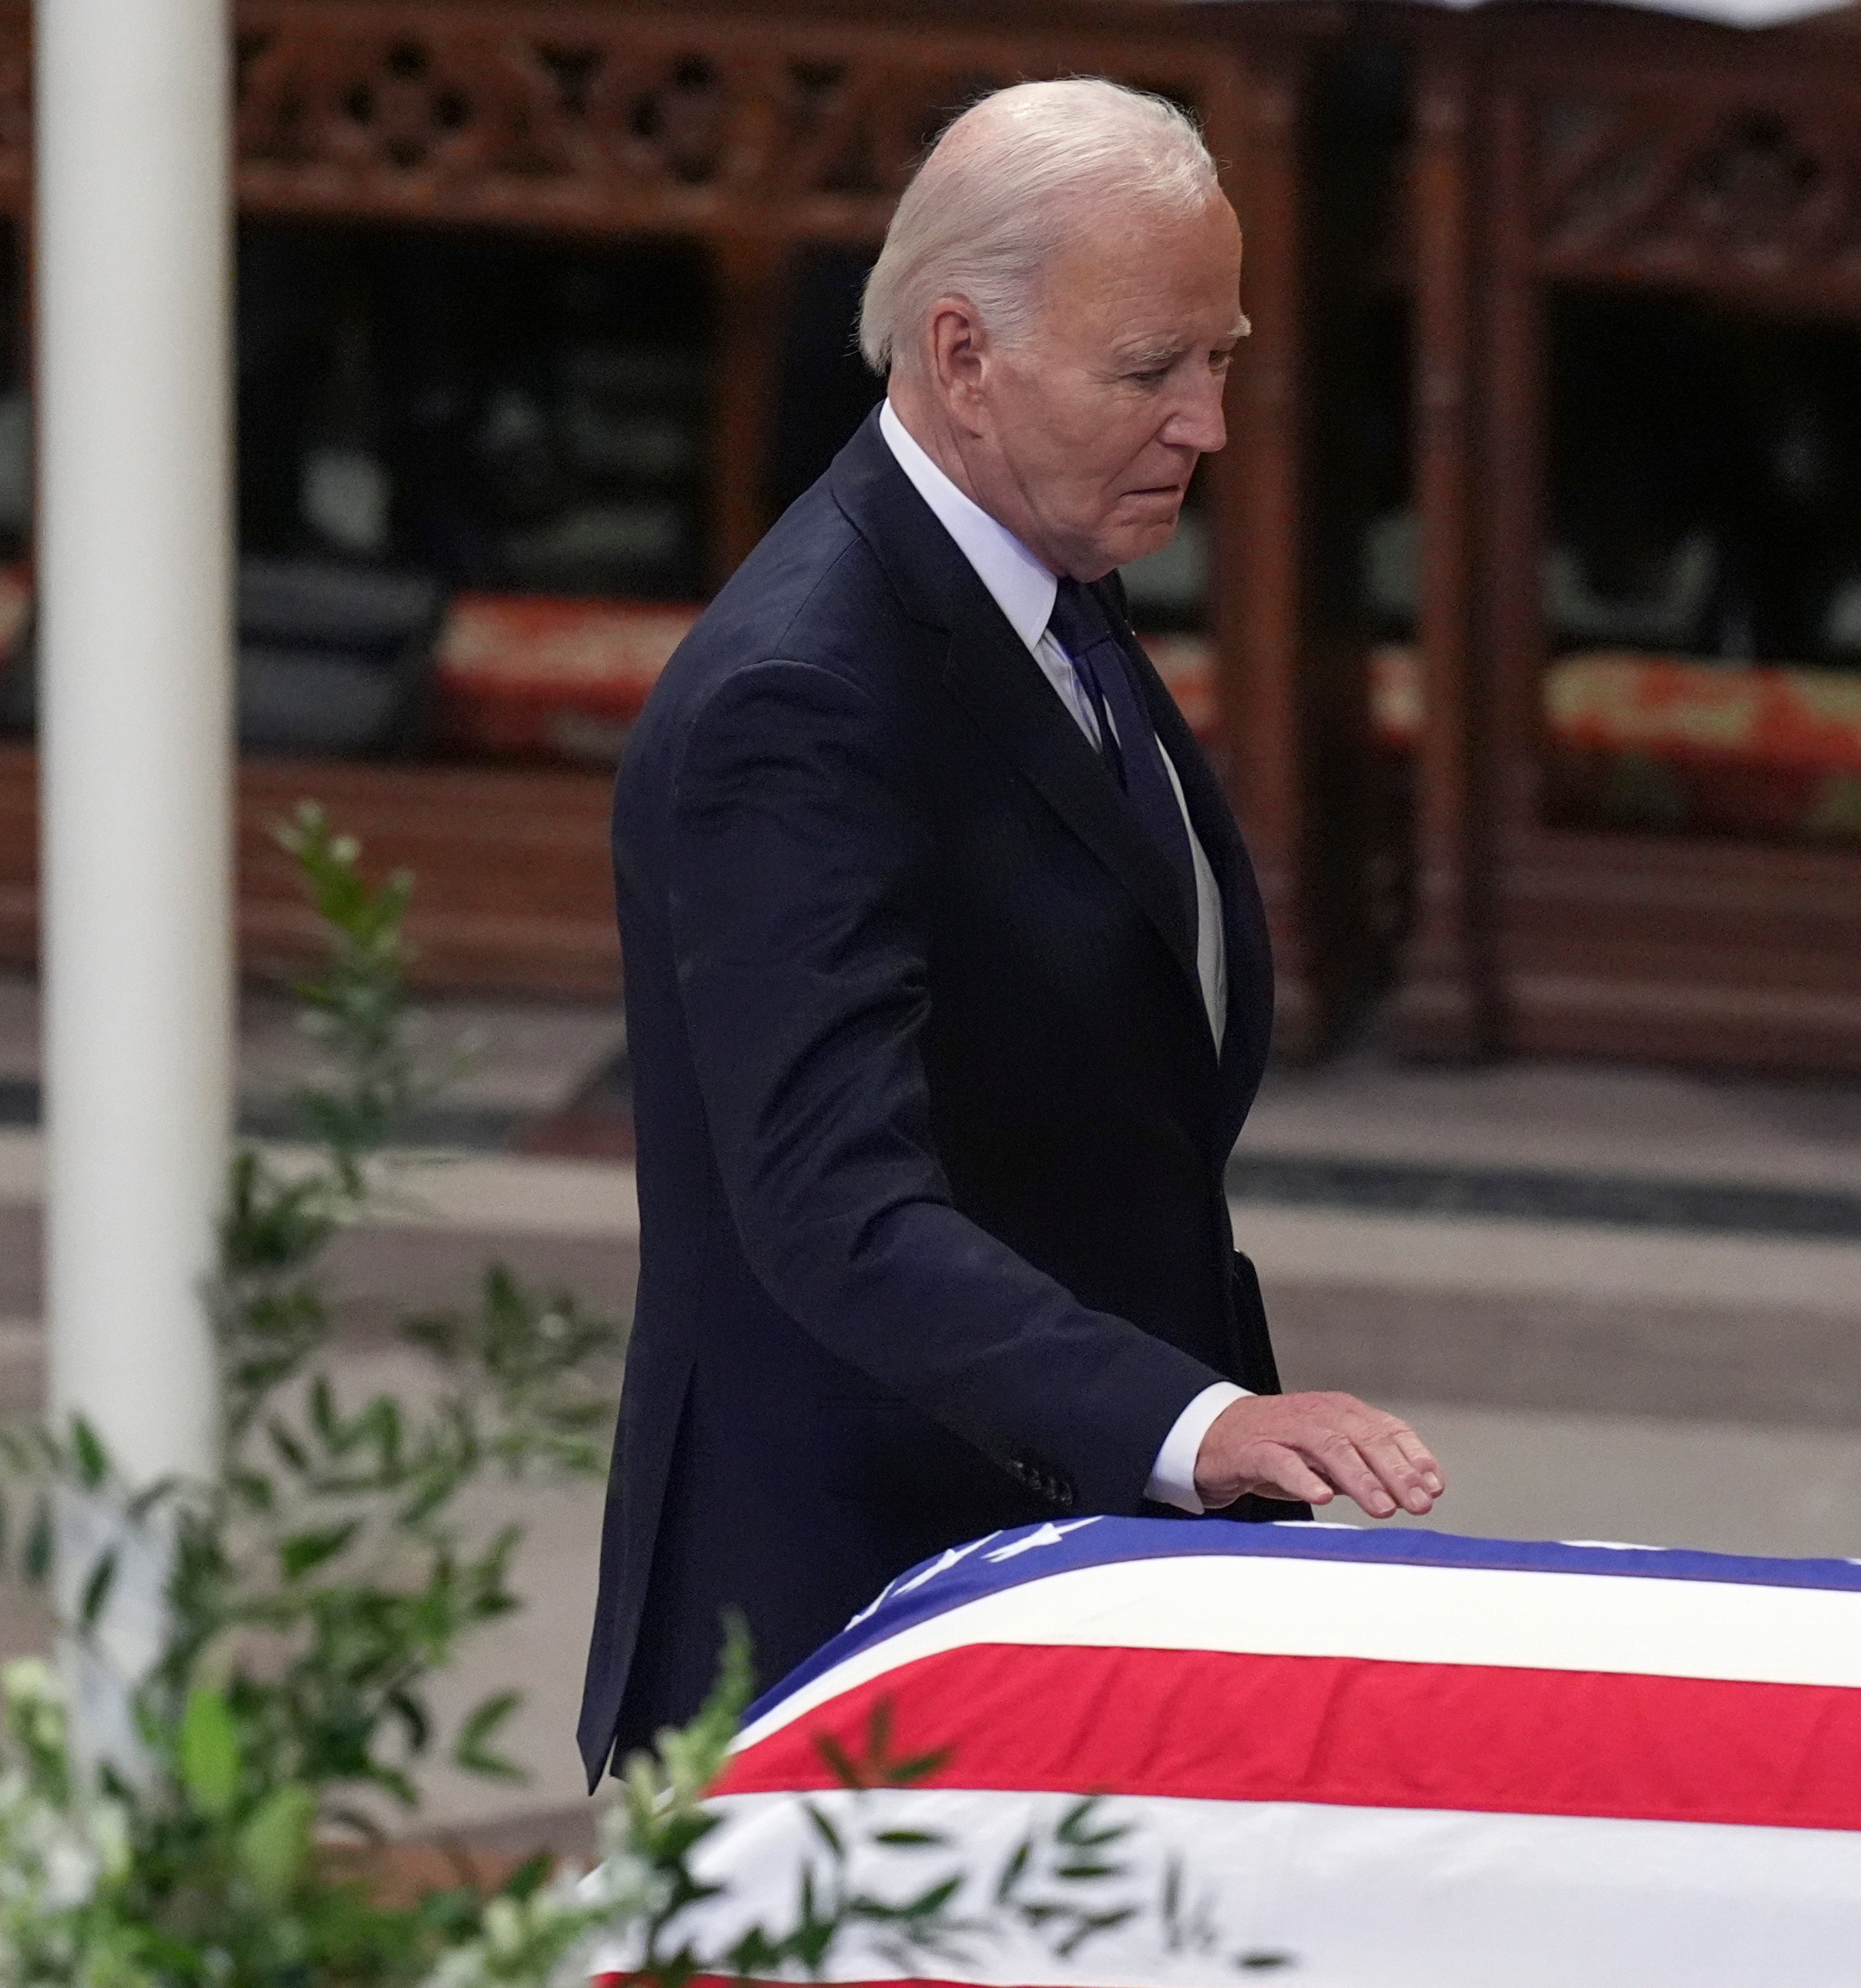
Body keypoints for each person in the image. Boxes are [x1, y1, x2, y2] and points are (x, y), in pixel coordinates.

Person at [577, 79, 1444, 1783]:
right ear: (962, 355)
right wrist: (1199, 1429)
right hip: (859, 1619)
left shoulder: (1034, 575)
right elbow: (833, 1212)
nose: (1205, 422)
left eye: (1222, 355)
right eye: (1150, 371)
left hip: (1051, 1568)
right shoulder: (799, 698)